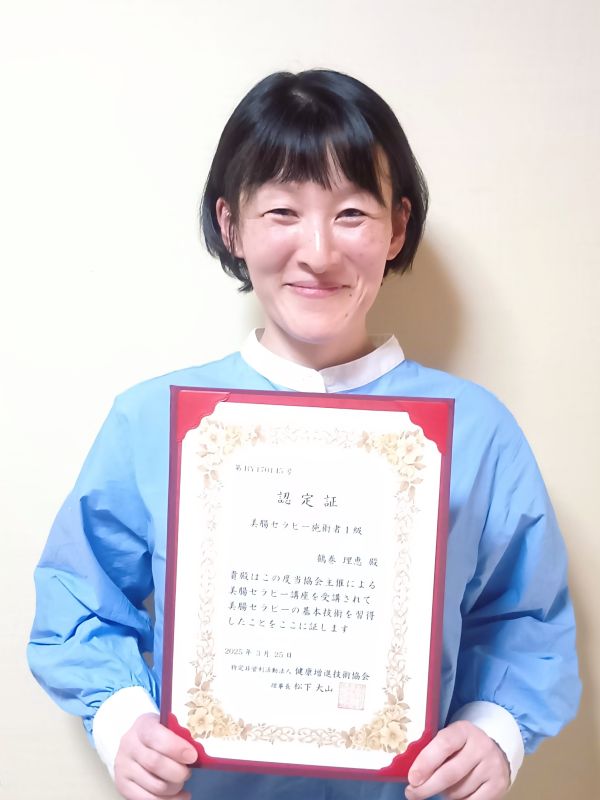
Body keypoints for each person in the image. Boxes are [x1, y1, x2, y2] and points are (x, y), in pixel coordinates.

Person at [28, 69, 580, 800]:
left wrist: (496, 731)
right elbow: (80, 597)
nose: (318, 251)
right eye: (283, 211)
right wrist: (121, 721)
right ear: (231, 224)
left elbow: (524, 620)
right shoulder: (151, 420)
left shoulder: (478, 431)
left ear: (397, 227)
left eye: (351, 213)